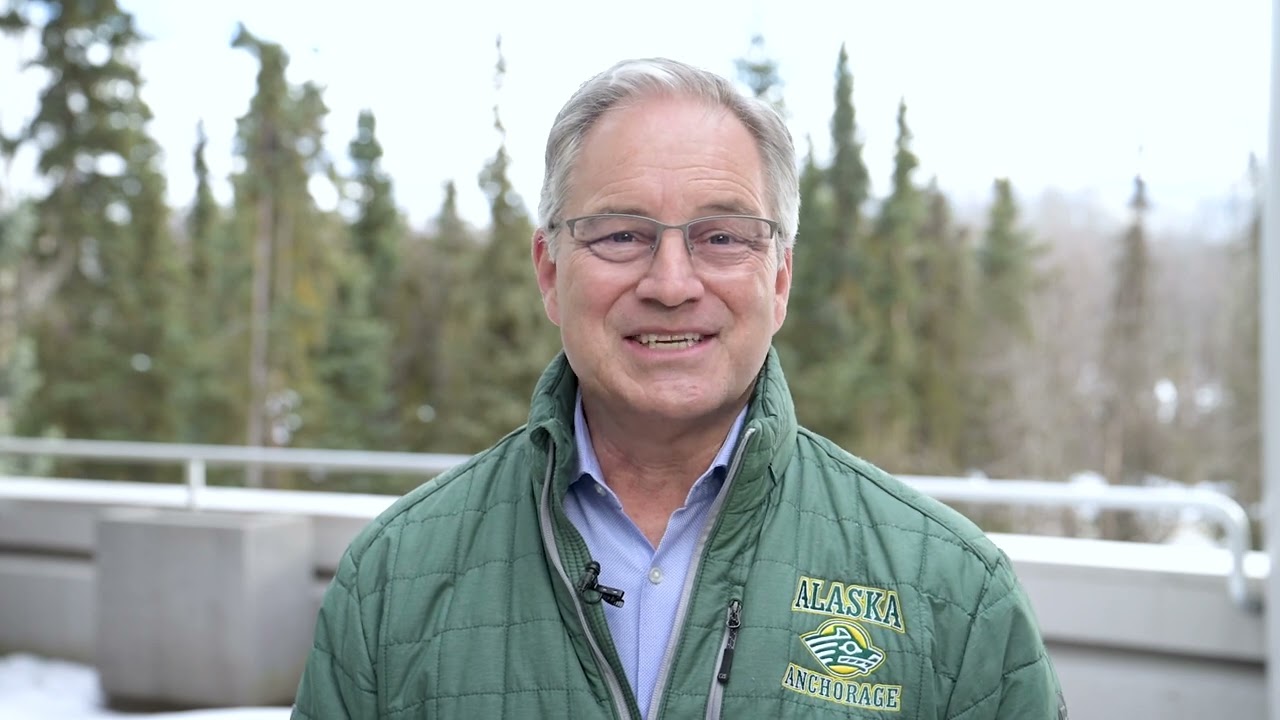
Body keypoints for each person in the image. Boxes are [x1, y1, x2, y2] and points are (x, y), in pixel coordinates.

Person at [291, 57, 1066, 719]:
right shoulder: (391, 583)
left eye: (722, 237)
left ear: (781, 278)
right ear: (551, 272)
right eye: (621, 234)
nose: (670, 283)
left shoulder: (953, 594)